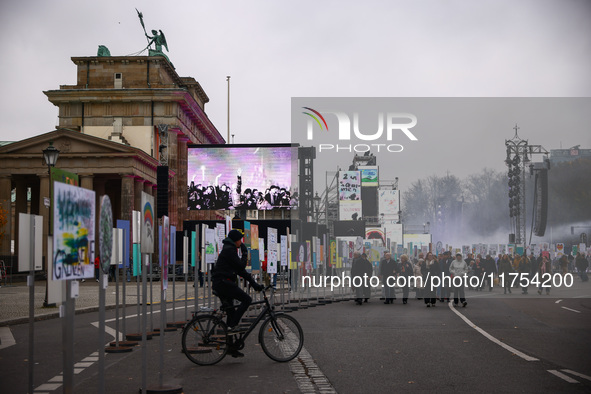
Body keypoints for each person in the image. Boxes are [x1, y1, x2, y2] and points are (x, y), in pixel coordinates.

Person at [211, 230, 263, 358]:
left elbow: (241, 272)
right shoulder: (230, 250)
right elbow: (240, 266)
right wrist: (245, 253)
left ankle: (231, 347)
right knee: (247, 300)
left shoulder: (230, 249)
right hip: (224, 284)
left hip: (223, 283)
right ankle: (233, 326)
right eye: (240, 239)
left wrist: (254, 284)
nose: (242, 242)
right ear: (236, 240)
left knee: (231, 313)